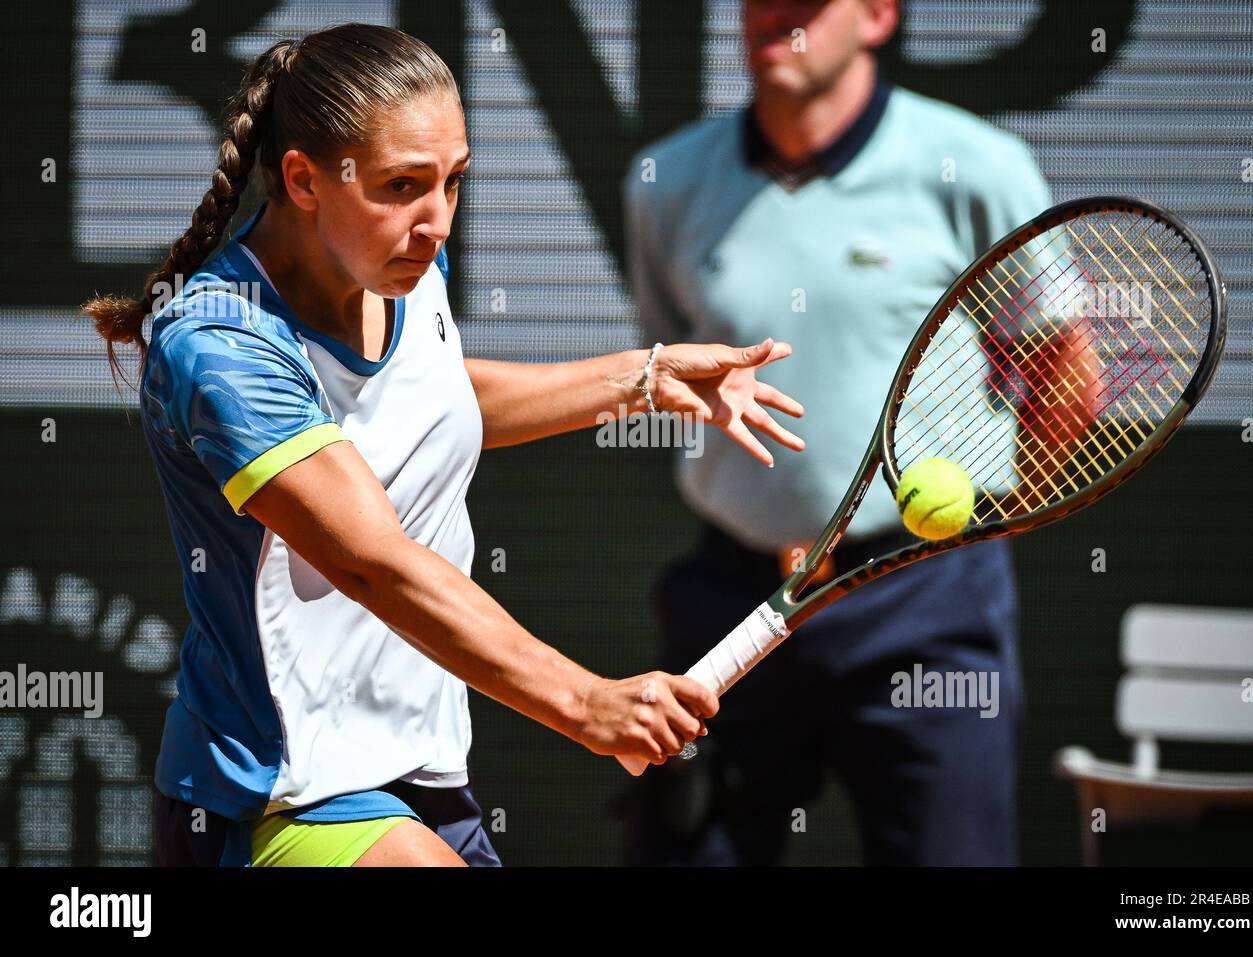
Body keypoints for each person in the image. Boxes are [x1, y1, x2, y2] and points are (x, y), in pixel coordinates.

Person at [81, 23, 804, 867]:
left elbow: (427, 400)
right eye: (401, 186)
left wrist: (640, 378)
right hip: (277, 793)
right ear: (304, 180)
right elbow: (372, 562)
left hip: (423, 767)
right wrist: (585, 703)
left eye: (453, 182)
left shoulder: (403, 264)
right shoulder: (221, 345)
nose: (436, 222)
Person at [622, 0, 1052, 865]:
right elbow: (673, 361)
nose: (776, 17)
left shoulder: (978, 166)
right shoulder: (666, 180)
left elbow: (1058, 355)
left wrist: (1010, 507)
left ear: (879, 15)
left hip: (923, 596)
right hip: (733, 592)